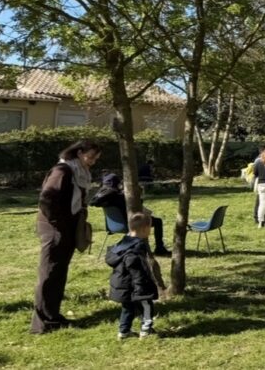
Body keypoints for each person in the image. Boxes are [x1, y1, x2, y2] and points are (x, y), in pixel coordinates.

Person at [31, 139, 101, 334]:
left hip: (66, 227)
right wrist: (58, 225)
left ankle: (52, 315)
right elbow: (47, 199)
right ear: (79, 153)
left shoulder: (78, 172)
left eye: (96, 159)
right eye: (90, 157)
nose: (93, 161)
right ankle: (42, 323)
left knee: (58, 273)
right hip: (55, 229)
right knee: (50, 273)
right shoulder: (63, 171)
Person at [106, 212, 165, 340]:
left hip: (121, 283)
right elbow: (136, 269)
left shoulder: (122, 243)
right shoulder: (136, 247)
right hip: (135, 284)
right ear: (145, 229)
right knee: (146, 305)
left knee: (127, 308)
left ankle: (123, 332)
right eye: (150, 228)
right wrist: (141, 287)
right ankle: (146, 331)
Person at [90, 174, 169, 255]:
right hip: (130, 223)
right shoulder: (119, 196)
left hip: (113, 226)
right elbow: (137, 204)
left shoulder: (103, 198)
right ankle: (159, 248)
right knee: (158, 221)